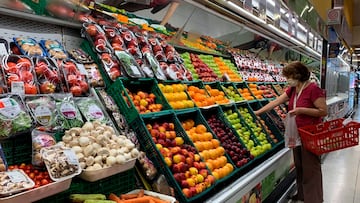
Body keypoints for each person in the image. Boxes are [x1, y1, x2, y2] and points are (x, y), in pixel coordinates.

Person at [254, 61, 327, 203]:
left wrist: (301, 110)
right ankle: (302, 195)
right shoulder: (293, 90)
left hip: (310, 134)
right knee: (300, 166)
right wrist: (257, 112)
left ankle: (314, 199)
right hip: (296, 135)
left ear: (297, 75)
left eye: (289, 76)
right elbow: (275, 102)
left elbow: (323, 111)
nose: (287, 79)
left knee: (311, 168)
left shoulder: (313, 89)